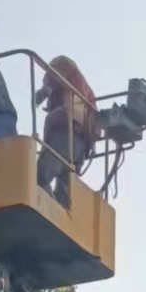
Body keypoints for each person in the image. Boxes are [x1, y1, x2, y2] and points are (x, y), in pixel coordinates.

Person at [36, 54, 97, 203]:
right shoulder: (85, 94)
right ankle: (59, 213)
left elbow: (47, 89)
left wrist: (43, 93)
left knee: (38, 178)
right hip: (81, 146)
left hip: (63, 139)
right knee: (65, 192)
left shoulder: (62, 74)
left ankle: (50, 212)